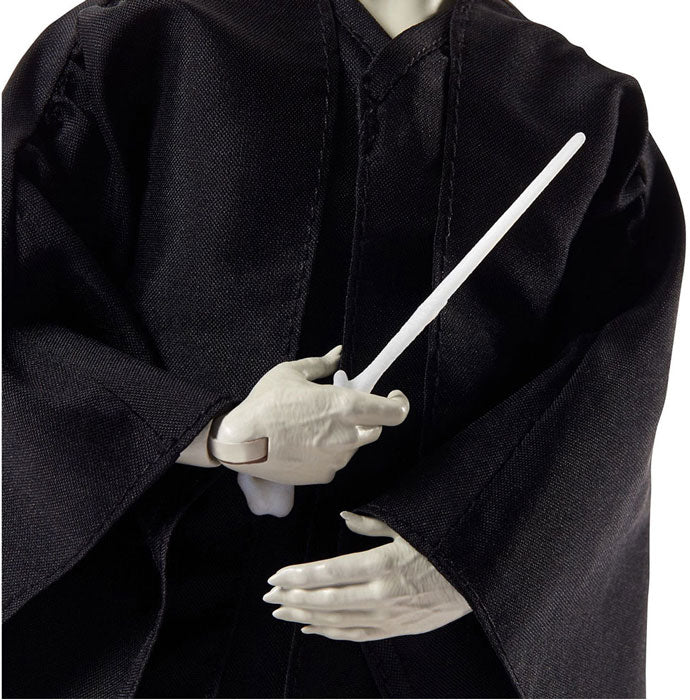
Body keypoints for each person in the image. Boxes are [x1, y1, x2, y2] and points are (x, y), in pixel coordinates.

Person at [3, 0, 684, 697]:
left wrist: (482, 551)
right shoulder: (139, 43)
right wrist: (214, 432)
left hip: (432, 663)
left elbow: (609, 392)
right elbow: (17, 316)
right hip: (165, 649)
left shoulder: (581, 109)